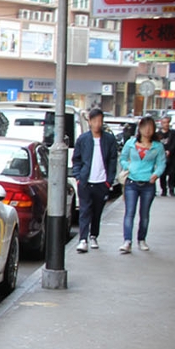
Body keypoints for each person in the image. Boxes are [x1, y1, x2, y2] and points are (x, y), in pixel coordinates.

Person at [71, 107, 119, 253]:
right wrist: (78, 177)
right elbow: (77, 159)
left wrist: (109, 181)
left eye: (100, 121)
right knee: (85, 210)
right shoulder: (83, 139)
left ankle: (93, 235)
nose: (97, 124)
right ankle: (83, 239)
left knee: (97, 211)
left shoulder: (109, 139)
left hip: (102, 182)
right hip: (85, 181)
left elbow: (112, 160)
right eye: (95, 121)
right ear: (90, 122)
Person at [117, 115, 167, 253]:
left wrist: (156, 174)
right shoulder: (131, 143)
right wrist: (128, 167)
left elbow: (162, 163)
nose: (147, 130)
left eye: (150, 127)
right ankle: (127, 240)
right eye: (145, 127)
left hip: (148, 184)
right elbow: (122, 158)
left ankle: (141, 239)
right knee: (129, 212)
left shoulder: (157, 147)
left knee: (144, 214)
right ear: (140, 128)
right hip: (132, 182)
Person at [157, 116, 175, 196]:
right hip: (162, 157)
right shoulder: (158, 134)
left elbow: (174, 143)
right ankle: (163, 189)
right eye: (164, 122)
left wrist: (169, 150)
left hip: (172, 156)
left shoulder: (173, 133)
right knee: (162, 173)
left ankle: (172, 188)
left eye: (167, 122)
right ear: (161, 123)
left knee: (172, 172)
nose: (166, 124)